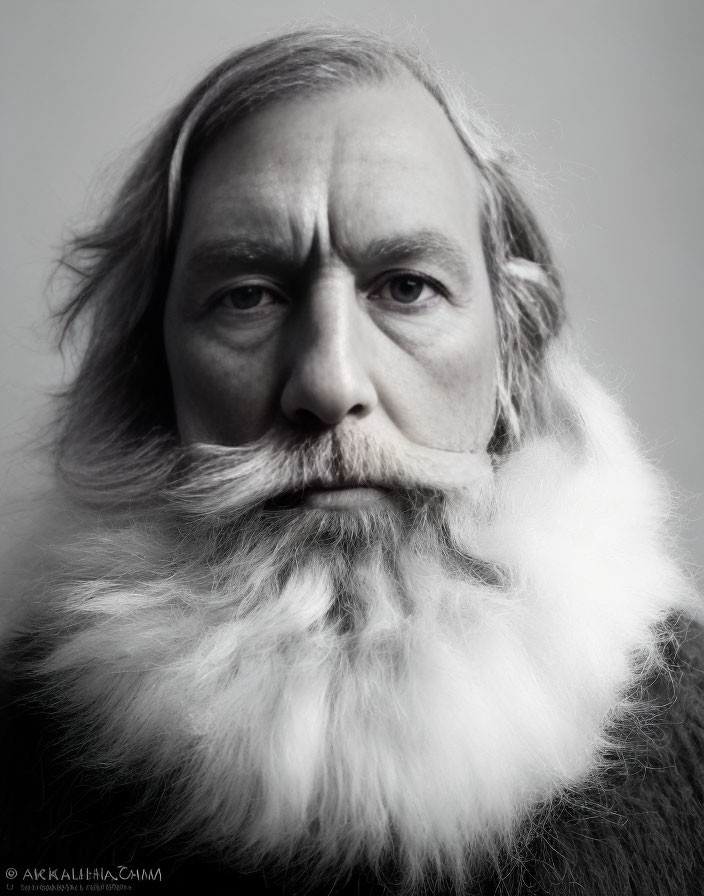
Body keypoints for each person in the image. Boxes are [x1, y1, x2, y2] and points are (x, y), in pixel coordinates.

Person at [1, 25, 702, 896]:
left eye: (407, 287)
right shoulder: (20, 758)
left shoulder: (685, 716)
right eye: (247, 297)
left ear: (512, 357)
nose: (328, 384)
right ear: (152, 376)